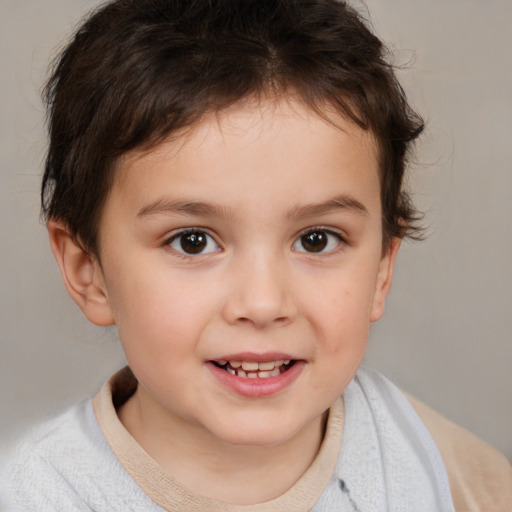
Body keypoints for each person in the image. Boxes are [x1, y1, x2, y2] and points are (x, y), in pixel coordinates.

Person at [1, 0, 511, 510]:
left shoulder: (446, 477)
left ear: (381, 270)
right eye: (193, 241)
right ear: (87, 271)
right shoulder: (35, 496)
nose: (264, 303)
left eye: (316, 239)